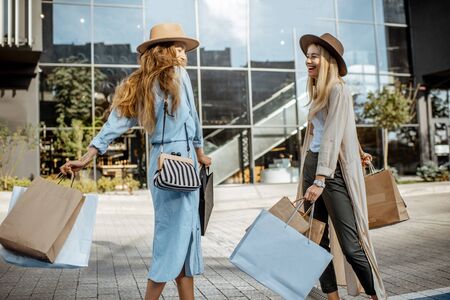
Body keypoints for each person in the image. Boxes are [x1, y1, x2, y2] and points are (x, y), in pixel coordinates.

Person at [60, 23, 211, 300]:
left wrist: (87, 156)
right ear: (164, 50)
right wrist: (200, 152)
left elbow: (114, 124)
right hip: (182, 163)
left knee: (181, 238)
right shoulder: (180, 74)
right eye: (179, 47)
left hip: (161, 164)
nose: (184, 53)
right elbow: (193, 119)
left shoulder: (138, 83)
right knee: (173, 240)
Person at [296, 33, 386, 300]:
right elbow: (331, 131)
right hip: (313, 166)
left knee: (350, 244)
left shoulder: (338, 89)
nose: (308, 61)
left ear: (327, 60)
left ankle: (376, 296)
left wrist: (321, 179)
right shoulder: (318, 91)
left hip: (329, 173)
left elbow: (336, 132)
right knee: (316, 239)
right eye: (307, 56)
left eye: (314, 56)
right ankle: (332, 297)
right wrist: (357, 151)